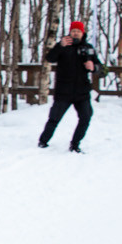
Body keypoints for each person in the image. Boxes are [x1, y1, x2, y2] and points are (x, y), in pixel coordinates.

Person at [39, 21, 99, 152]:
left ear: (83, 33)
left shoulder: (88, 48)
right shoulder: (63, 45)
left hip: (82, 92)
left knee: (86, 117)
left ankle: (75, 144)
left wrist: (94, 67)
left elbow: (102, 69)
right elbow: (50, 58)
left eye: (78, 31)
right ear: (70, 32)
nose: (76, 33)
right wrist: (59, 46)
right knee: (54, 118)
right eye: (73, 31)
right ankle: (43, 141)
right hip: (63, 91)